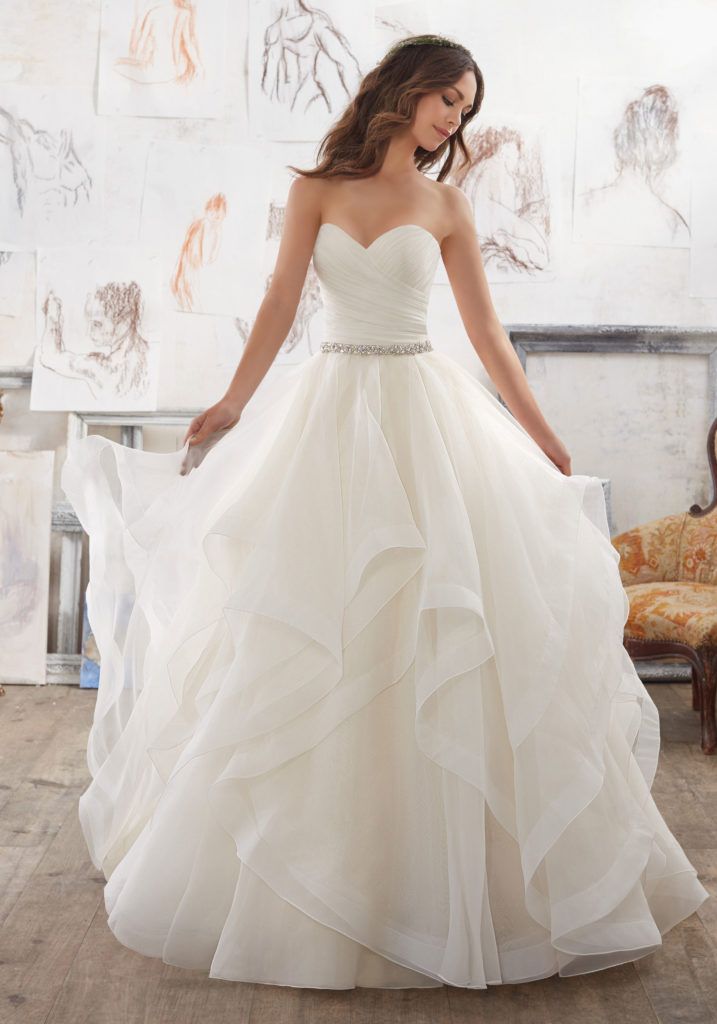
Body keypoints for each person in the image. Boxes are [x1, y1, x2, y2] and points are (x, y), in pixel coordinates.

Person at [60, 33, 709, 990]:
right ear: (403, 92)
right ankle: (317, 871)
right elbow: (281, 300)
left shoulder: (446, 204)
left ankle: (446, 883)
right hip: (326, 413)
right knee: (318, 625)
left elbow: (486, 333)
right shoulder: (315, 191)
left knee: (435, 623)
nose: (456, 118)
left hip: (421, 410)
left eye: (465, 106)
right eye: (447, 97)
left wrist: (541, 432)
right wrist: (234, 402)